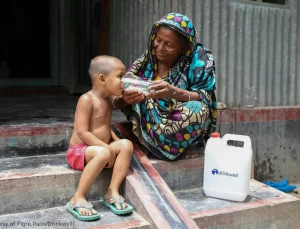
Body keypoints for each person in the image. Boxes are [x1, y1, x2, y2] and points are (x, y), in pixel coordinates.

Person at [111, 12, 217, 161]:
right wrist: (125, 98)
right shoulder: (149, 57)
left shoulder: (199, 59)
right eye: (158, 40)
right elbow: (119, 89)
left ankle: (180, 146)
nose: (160, 47)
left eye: (169, 45)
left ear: (184, 47)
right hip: (151, 120)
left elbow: (205, 98)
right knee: (129, 83)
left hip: (178, 119)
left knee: (198, 110)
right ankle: (147, 141)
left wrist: (174, 92)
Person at [66, 55, 134, 221]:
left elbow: (104, 125)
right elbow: (83, 132)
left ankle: (112, 191)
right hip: (79, 151)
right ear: (102, 79)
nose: (123, 81)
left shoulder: (107, 100)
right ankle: (78, 197)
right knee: (103, 153)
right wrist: (107, 148)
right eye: (120, 76)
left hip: (98, 149)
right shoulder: (87, 99)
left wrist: (114, 142)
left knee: (126, 144)